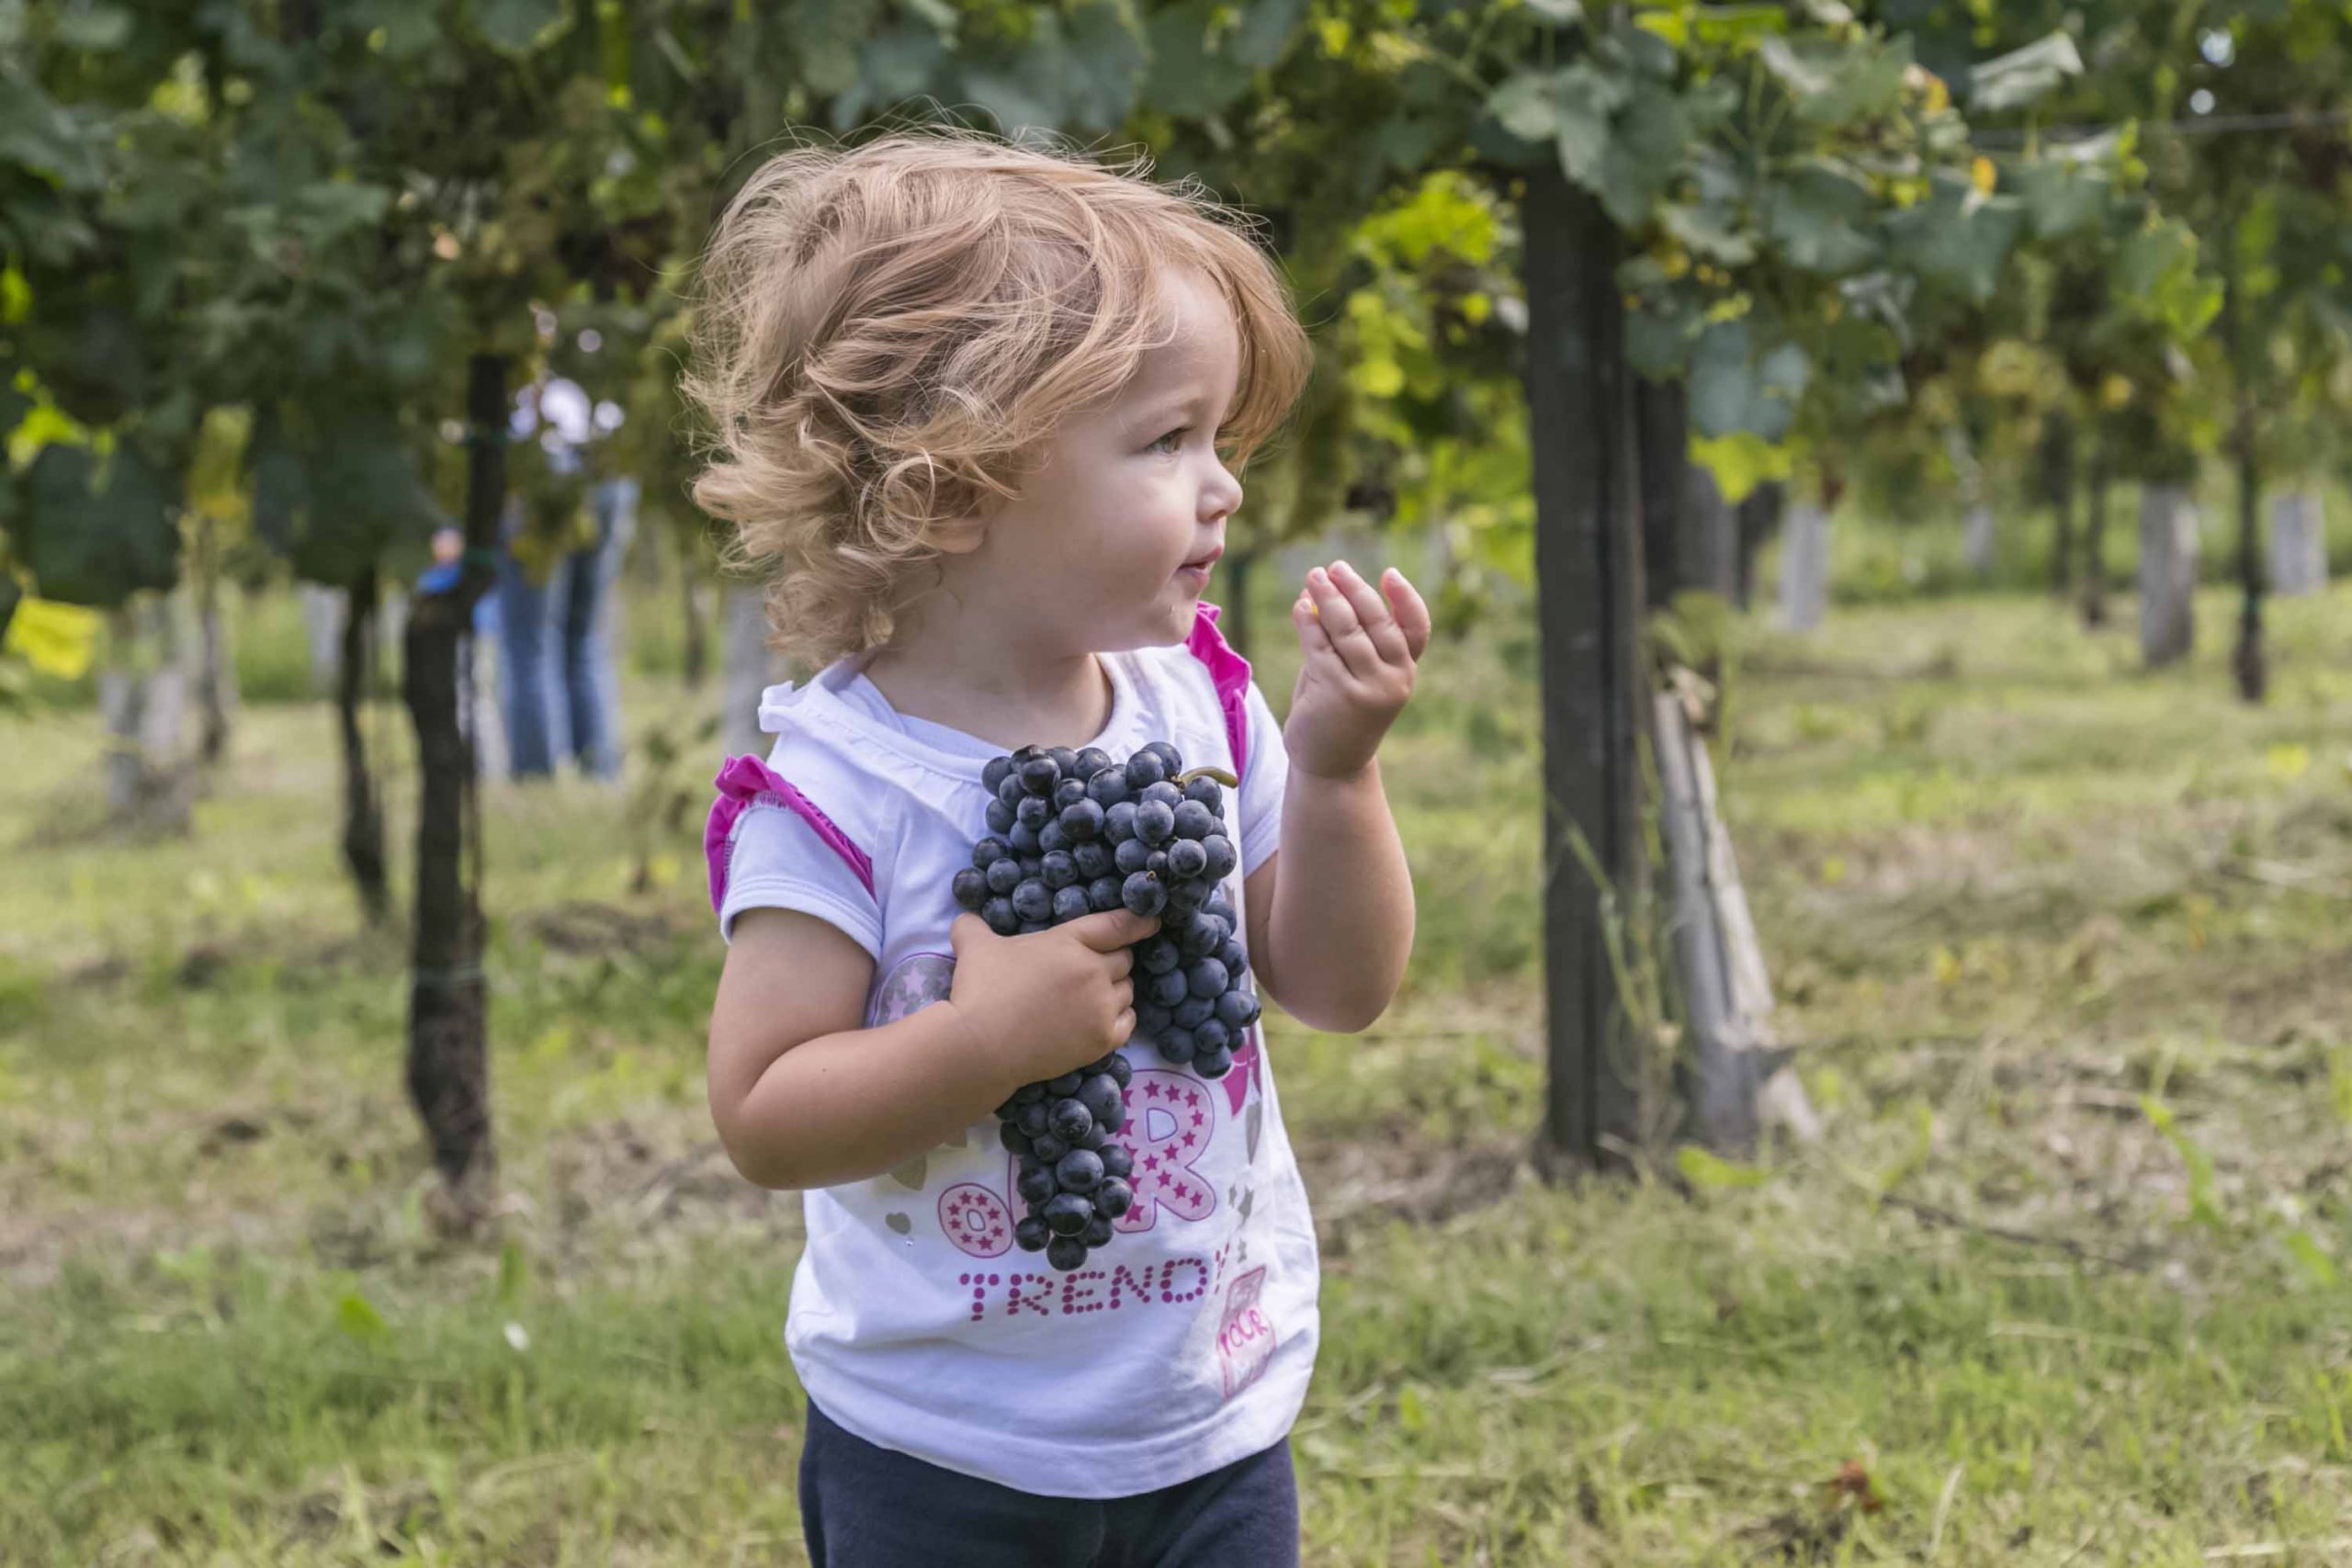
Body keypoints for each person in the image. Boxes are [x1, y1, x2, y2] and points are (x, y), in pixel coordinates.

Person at [689, 132, 1429, 1568]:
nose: (1221, 487)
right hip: (940, 1447)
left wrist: (1337, 770)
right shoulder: (839, 791)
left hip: (1210, 1410)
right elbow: (764, 1114)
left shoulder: (1198, 703)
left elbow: (1338, 987)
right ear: (951, 486)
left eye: (1221, 438)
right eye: (1165, 441)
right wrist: (984, 1046)